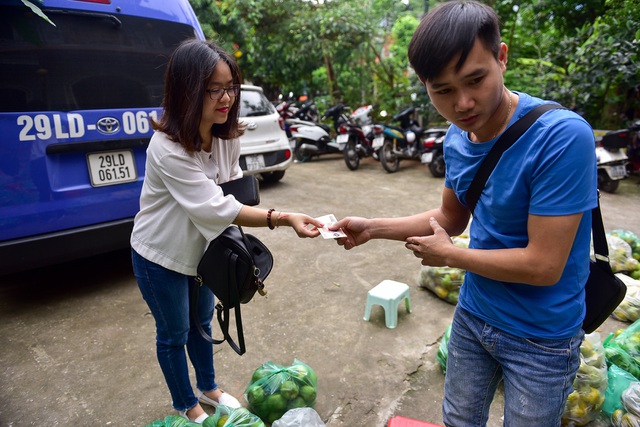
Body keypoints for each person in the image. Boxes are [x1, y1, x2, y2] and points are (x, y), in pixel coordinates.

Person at [331, 2, 597, 426]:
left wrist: (451, 256)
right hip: (475, 316)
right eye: (443, 91)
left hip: (542, 338)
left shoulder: (562, 137)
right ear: (425, 85)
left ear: (502, 57)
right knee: (458, 419)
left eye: (476, 79)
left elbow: (544, 265)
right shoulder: (457, 138)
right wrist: (372, 227)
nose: (463, 103)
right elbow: (449, 219)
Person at [130, 39, 323, 424]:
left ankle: (209, 387)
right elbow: (218, 206)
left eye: (230, 87)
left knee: (201, 324)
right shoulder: (167, 148)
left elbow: (230, 185)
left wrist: (254, 208)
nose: (226, 98)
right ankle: (188, 404)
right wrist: (283, 217)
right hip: (160, 255)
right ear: (186, 91)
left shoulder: (226, 135)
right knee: (174, 334)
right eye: (213, 89)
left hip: (201, 253)